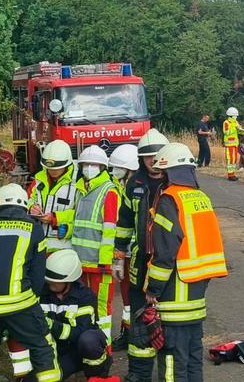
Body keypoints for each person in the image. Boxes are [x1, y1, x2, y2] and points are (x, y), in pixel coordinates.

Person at [145, 143, 228, 382]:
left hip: (175, 296)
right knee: (193, 359)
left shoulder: (170, 200)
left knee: (172, 360)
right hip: (197, 293)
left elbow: (164, 253)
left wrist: (153, 289)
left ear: (169, 172)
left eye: (162, 174)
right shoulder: (201, 197)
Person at [0, 184, 58, 382]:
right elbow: (38, 274)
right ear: (23, 207)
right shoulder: (34, 230)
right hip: (19, 302)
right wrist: (32, 300)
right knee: (42, 346)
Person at [115, 129, 168, 380]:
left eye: (156, 155)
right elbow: (124, 221)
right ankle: (138, 375)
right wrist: (118, 255)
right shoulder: (134, 184)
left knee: (167, 325)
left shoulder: (176, 183)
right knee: (139, 327)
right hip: (140, 264)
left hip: (169, 265)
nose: (152, 160)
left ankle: (169, 375)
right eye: (147, 156)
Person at [40, 250, 118, 382]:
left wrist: (51, 325)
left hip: (77, 351)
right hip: (50, 350)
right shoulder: (41, 293)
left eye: (54, 280)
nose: (49, 283)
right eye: (48, 279)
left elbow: (80, 332)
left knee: (89, 340)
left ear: (69, 280)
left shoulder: (84, 297)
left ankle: (97, 376)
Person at [71, 145, 121, 338]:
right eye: (86, 164)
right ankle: (86, 344)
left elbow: (110, 230)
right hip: (80, 262)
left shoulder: (108, 192)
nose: (89, 168)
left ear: (102, 168)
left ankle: (103, 348)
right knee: (83, 306)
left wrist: (106, 263)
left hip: (100, 265)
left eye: (94, 164)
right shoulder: (81, 189)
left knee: (102, 308)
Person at [107, 143, 140, 344]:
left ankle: (135, 333)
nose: (115, 171)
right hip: (124, 251)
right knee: (127, 298)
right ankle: (128, 333)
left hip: (136, 252)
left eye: (119, 167)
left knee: (134, 296)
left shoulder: (137, 189)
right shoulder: (119, 186)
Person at [29, 140, 79, 251]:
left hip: (63, 247)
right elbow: (28, 200)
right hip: (38, 244)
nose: (52, 171)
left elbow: (81, 214)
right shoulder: (38, 179)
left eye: (56, 168)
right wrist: (31, 208)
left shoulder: (78, 183)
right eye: (50, 168)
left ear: (67, 164)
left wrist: (55, 218)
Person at [222, 107, 244, 181]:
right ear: (231, 116)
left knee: (234, 160)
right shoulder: (226, 122)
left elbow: (238, 130)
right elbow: (226, 132)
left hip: (235, 144)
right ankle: (230, 175)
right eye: (235, 116)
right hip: (229, 145)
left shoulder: (235, 122)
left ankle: (233, 174)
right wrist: (234, 127)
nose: (236, 117)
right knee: (230, 159)